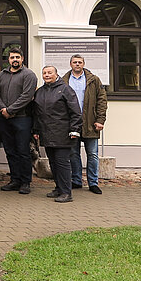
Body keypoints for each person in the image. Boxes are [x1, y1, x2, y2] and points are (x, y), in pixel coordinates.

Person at [33, 66, 82, 203]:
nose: (47, 75)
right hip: (46, 133)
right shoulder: (40, 91)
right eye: (44, 73)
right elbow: (37, 113)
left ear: (56, 74)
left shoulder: (65, 89)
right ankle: (59, 188)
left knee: (62, 163)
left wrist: (75, 129)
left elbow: (75, 111)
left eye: (50, 72)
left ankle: (67, 192)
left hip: (63, 133)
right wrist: (36, 130)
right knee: (53, 163)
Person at [0, 47, 38, 195]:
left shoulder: (29, 75)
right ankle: (15, 179)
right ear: (8, 59)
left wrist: (10, 110)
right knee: (10, 151)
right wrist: (3, 109)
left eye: (17, 57)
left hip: (22, 119)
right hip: (4, 119)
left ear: (22, 59)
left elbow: (26, 96)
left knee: (23, 151)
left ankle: (26, 182)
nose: (14, 60)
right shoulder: (1, 75)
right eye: (12, 57)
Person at [62, 54, 107, 194]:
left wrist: (100, 120)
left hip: (90, 122)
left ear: (84, 64)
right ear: (70, 64)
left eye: (79, 62)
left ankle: (93, 183)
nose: (77, 64)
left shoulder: (93, 80)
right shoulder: (64, 81)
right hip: (72, 123)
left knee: (92, 154)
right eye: (74, 62)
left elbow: (102, 100)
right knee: (74, 153)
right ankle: (76, 180)